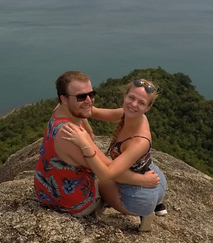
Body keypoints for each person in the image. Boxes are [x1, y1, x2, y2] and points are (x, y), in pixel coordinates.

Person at [34, 71, 159, 216]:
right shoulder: (69, 133)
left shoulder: (61, 111)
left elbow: (93, 112)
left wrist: (87, 126)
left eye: (91, 94)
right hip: (71, 203)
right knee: (109, 182)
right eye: (81, 97)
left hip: (45, 189)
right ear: (64, 99)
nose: (88, 100)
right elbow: (107, 170)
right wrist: (142, 180)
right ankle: (141, 213)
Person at [61, 77, 166, 231]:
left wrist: (85, 143)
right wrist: (71, 106)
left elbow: (107, 174)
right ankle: (156, 203)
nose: (134, 104)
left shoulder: (140, 141)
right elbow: (97, 112)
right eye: (131, 98)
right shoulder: (131, 115)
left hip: (140, 197)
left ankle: (145, 213)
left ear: (148, 107)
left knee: (99, 181)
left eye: (141, 102)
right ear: (125, 97)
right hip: (155, 178)